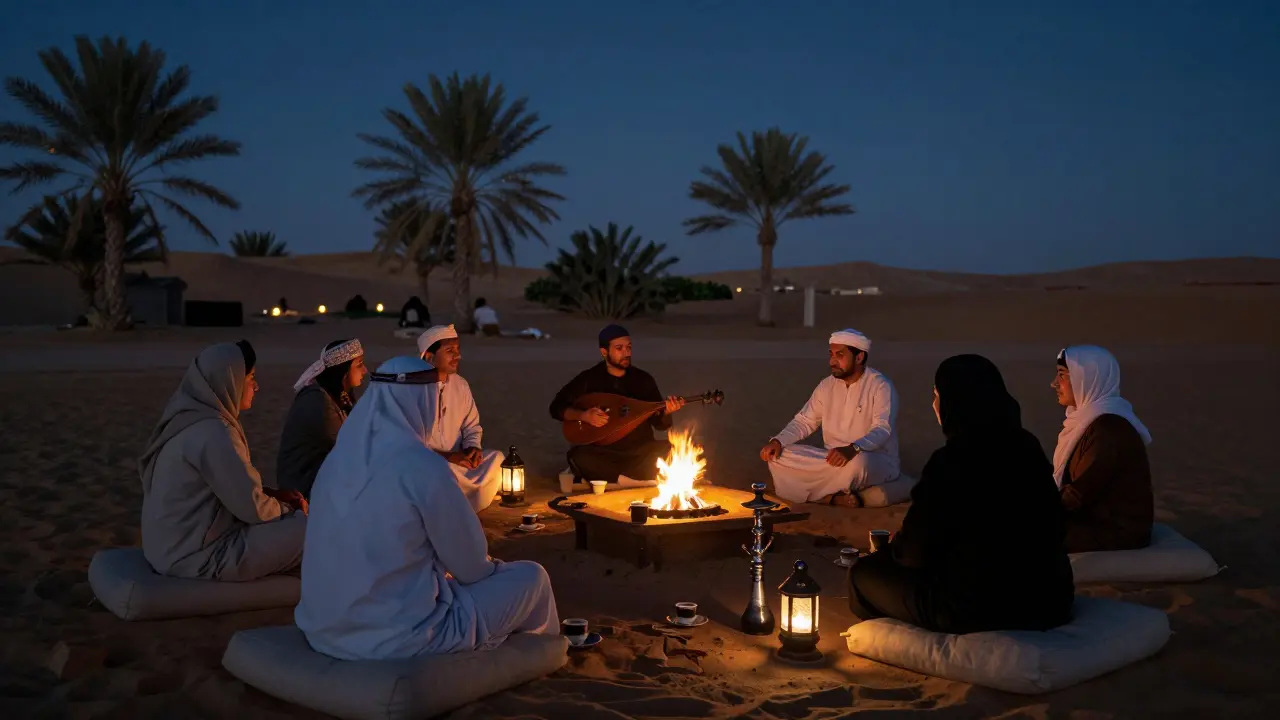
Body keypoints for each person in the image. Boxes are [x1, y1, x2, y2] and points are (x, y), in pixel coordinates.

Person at [296, 356, 559, 660]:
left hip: (324, 631)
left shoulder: (336, 463)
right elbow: (472, 567)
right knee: (532, 578)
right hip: (400, 636)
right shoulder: (422, 466)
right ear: (421, 402)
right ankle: (542, 657)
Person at [847, 354, 1075, 634]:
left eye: (937, 394)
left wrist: (894, 551)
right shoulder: (1027, 446)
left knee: (862, 576)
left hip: (977, 606)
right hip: (1051, 600)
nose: (934, 404)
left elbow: (915, 553)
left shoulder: (951, 461)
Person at [139, 341, 308, 581]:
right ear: (230, 381)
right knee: (311, 531)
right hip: (195, 557)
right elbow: (252, 509)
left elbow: (227, 492)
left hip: (169, 549)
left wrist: (275, 496)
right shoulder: (214, 432)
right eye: (250, 378)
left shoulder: (186, 421)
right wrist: (290, 510)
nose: (256, 387)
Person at [759, 329, 901, 506]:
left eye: (839, 355)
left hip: (872, 458)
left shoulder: (880, 386)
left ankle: (819, 494)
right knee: (779, 456)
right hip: (830, 459)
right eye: (831, 354)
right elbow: (804, 421)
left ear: (859, 358)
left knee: (859, 465)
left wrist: (853, 449)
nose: (832, 361)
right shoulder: (826, 386)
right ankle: (832, 498)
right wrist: (778, 441)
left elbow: (882, 429)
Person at [548, 324, 685, 484]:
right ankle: (632, 479)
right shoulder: (588, 379)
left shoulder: (643, 380)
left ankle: (617, 479)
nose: (626, 353)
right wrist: (584, 416)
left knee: (672, 449)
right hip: (605, 452)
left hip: (640, 452)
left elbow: (659, 425)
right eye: (619, 348)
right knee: (578, 456)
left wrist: (667, 412)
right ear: (604, 352)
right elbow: (556, 407)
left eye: (629, 347)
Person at [1052, 345, 1154, 553]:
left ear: (1087, 379)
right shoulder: (1086, 423)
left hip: (1116, 531)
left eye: (1062, 376)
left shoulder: (1109, 429)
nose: (1054, 384)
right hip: (1090, 518)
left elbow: (1079, 493)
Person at [417, 324, 506, 511]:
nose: (458, 356)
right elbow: (407, 442)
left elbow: (472, 426)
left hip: (459, 464)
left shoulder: (461, 385)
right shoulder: (413, 390)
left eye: (457, 350)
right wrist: (447, 457)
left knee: (497, 459)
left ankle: (457, 500)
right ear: (429, 357)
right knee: (436, 471)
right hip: (431, 463)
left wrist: (473, 448)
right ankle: (460, 501)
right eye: (450, 350)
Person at [276, 339, 368, 500]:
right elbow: (350, 446)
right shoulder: (317, 401)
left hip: (323, 474)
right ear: (343, 370)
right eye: (359, 364)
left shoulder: (340, 396)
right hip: (302, 486)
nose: (365, 370)